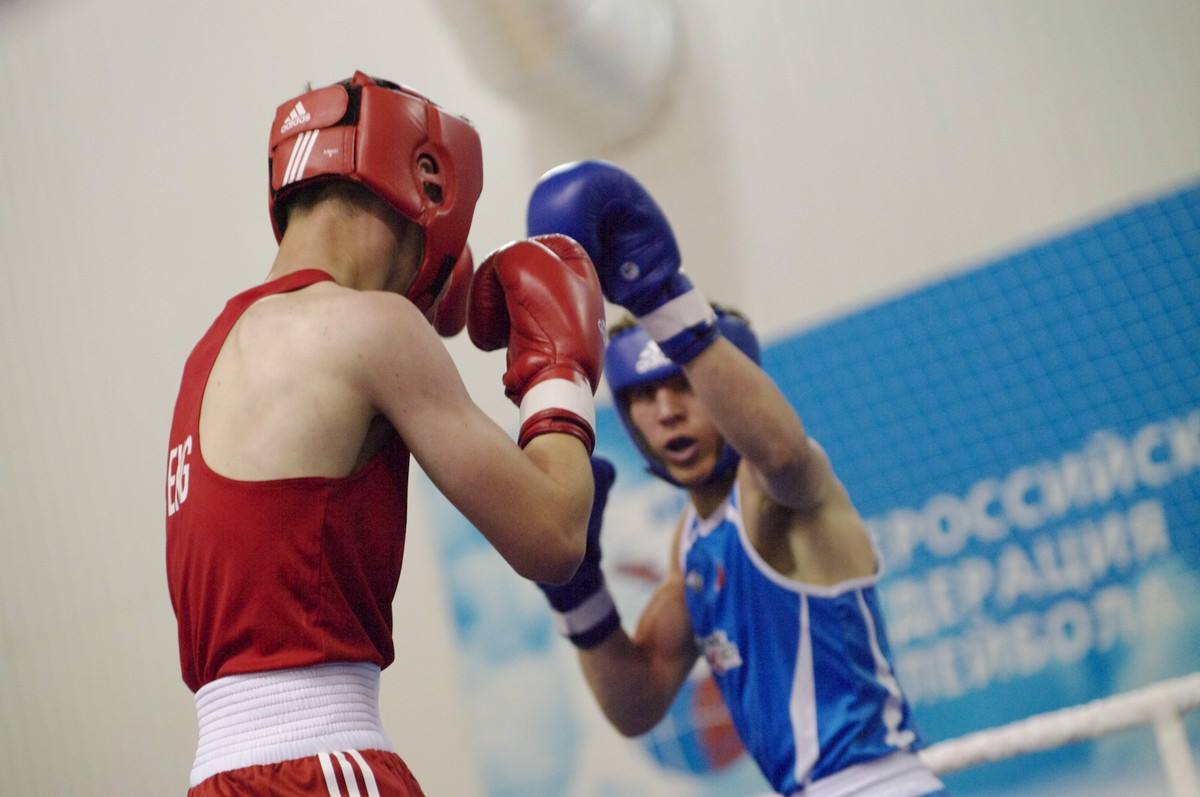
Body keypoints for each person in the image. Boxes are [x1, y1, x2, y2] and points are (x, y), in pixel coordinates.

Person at [165, 72, 606, 796]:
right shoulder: (368, 325)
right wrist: (560, 373)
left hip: (218, 773)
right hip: (320, 765)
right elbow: (554, 535)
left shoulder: (206, 356)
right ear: (428, 177)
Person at [525, 160, 948, 796]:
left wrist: (662, 299)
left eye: (680, 386)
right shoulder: (691, 543)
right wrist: (576, 591)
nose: (666, 410)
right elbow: (636, 703)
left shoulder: (778, 491)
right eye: (643, 396)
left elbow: (781, 453)